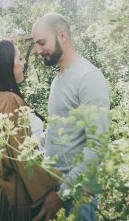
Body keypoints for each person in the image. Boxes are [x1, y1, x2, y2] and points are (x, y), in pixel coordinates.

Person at [31, 13, 110, 221]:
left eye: (42, 42)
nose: (38, 51)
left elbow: (97, 146)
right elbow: (57, 130)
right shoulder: (58, 79)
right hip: (52, 186)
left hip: (76, 193)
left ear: (62, 35)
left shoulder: (88, 77)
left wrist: (62, 193)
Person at [0, 39, 61, 221]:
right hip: (21, 195)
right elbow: (23, 155)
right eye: (19, 58)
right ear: (4, 65)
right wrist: (50, 192)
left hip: (4, 189)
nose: (24, 62)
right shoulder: (8, 100)